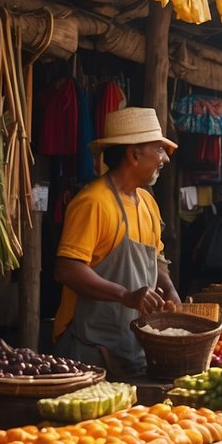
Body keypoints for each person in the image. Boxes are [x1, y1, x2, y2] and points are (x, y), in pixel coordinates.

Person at [54, 106, 182, 378]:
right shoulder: (93, 202)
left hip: (132, 347)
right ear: (134, 154)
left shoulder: (147, 202)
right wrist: (125, 295)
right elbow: (67, 269)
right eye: (158, 149)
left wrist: (168, 288)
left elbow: (156, 257)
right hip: (89, 350)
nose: (165, 159)